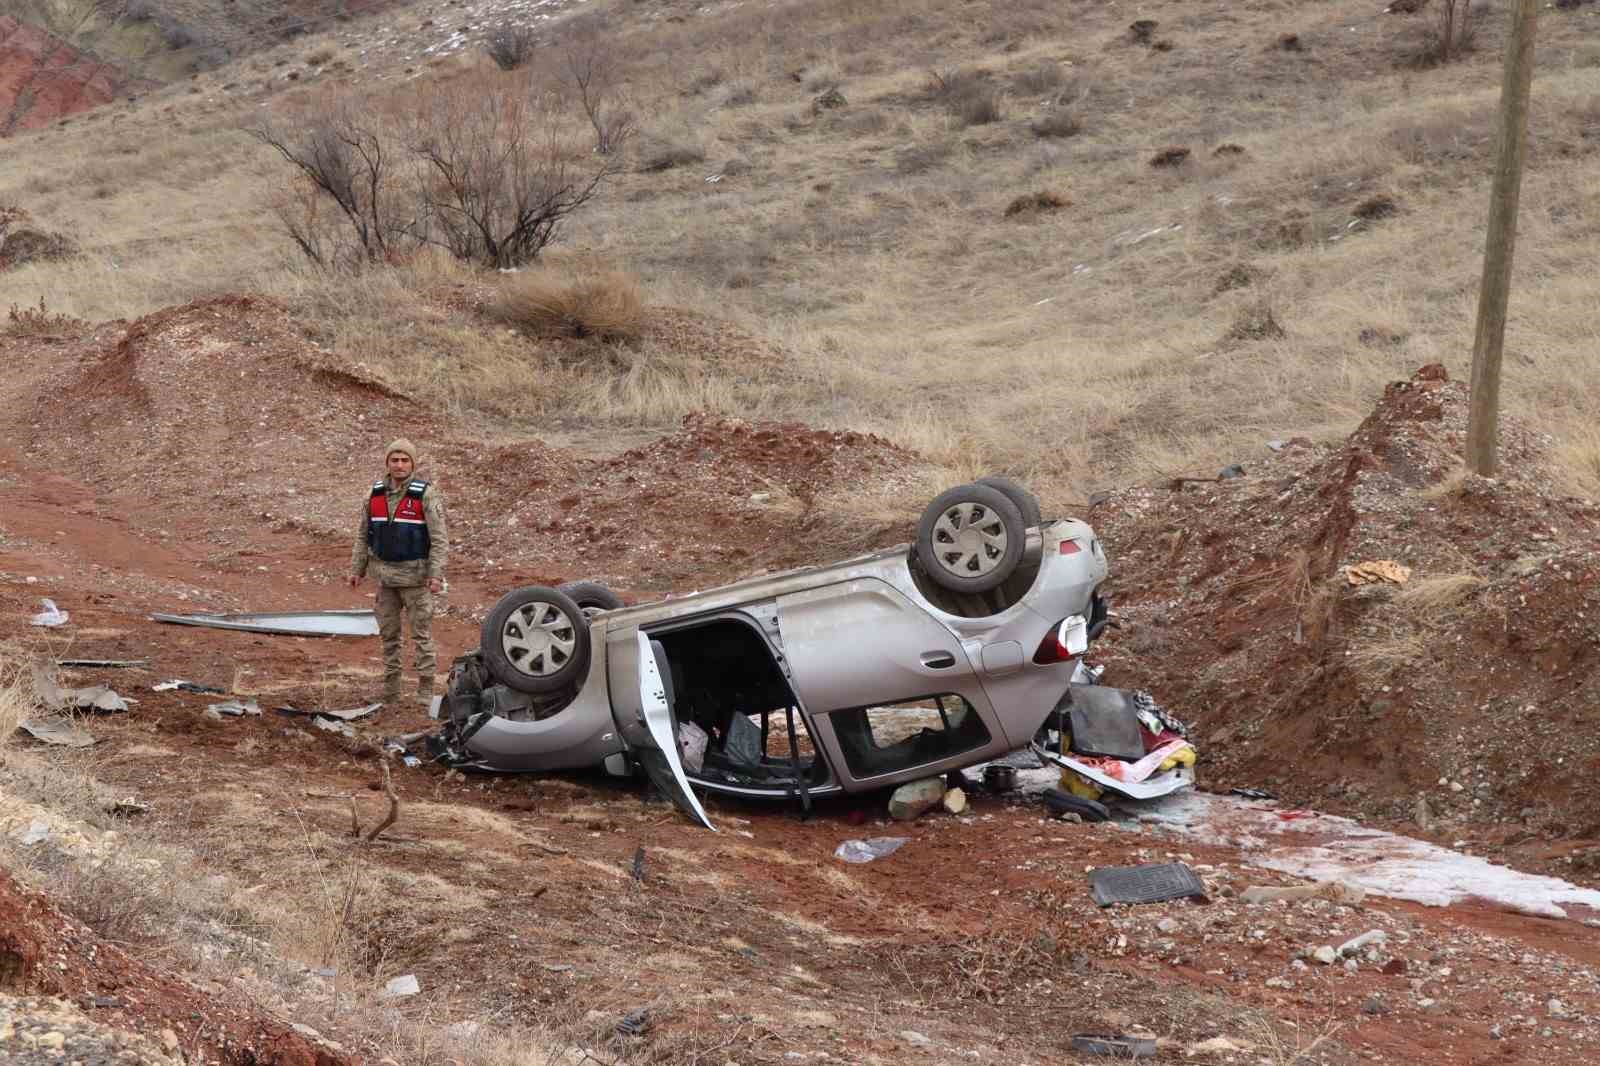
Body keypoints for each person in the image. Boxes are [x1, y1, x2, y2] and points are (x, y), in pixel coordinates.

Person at [349, 439, 448, 706]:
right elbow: (362, 535)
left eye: (405, 460)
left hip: (416, 579)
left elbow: (439, 539)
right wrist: (356, 569)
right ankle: (391, 692)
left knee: (421, 636)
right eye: (395, 460)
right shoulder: (374, 494)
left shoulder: (426, 494)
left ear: (413, 464)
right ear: (387, 463)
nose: (400, 465)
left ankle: (425, 692)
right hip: (385, 579)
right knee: (389, 637)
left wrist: (435, 574)